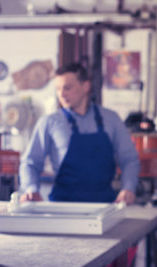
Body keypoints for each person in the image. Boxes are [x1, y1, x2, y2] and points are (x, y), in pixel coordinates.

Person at [19, 62, 140, 204]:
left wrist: (128, 188)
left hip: (105, 206)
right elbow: (30, 162)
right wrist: (31, 188)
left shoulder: (111, 119)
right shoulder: (49, 122)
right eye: (58, 89)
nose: (61, 94)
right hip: (62, 207)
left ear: (85, 87)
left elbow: (129, 159)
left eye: (67, 88)